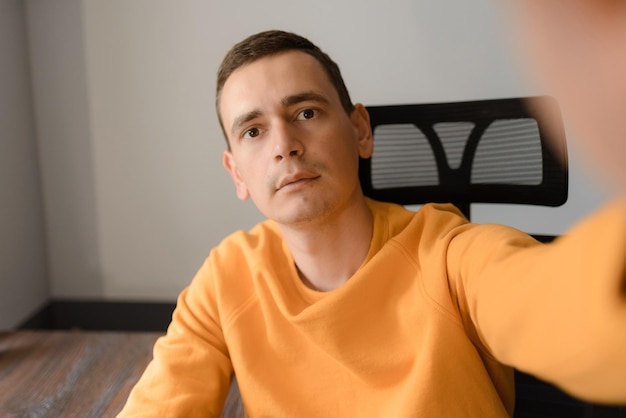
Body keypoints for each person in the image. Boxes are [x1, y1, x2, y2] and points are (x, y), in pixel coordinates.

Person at [118, 27, 626, 417]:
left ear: (360, 130)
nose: (284, 145)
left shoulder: (448, 255)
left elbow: (561, 304)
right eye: (252, 131)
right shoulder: (227, 279)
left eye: (307, 113)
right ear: (237, 173)